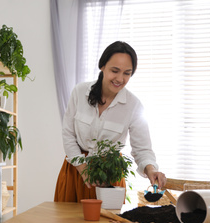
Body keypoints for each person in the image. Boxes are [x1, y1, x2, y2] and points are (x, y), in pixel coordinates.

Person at [54, 41, 167, 202]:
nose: (120, 78)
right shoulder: (80, 92)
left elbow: (142, 150)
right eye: (115, 71)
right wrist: (83, 169)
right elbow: (68, 134)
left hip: (109, 177)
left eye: (127, 73)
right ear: (102, 66)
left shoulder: (133, 105)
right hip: (75, 172)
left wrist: (151, 169)